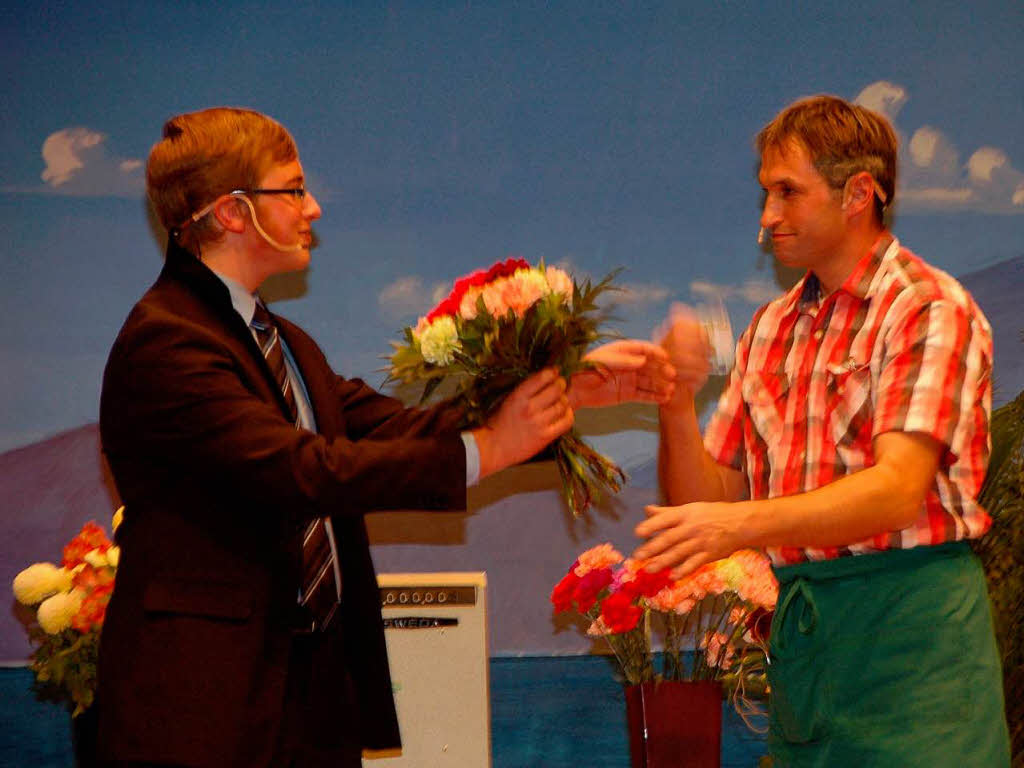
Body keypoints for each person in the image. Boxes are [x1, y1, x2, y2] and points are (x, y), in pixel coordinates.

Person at [96, 107, 675, 768]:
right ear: (232, 211)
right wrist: (489, 450)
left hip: (303, 705)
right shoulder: (168, 341)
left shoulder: (282, 343)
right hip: (201, 710)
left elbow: (397, 427)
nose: (313, 209)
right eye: (292, 190)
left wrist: (569, 389)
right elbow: (305, 472)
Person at [635, 95, 1010, 766]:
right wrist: (673, 400)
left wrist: (739, 526)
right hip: (809, 655)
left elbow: (897, 491)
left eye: (787, 192)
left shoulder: (928, 308)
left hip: (915, 648)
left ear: (858, 194)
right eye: (764, 195)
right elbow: (711, 499)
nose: (767, 218)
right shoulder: (769, 329)